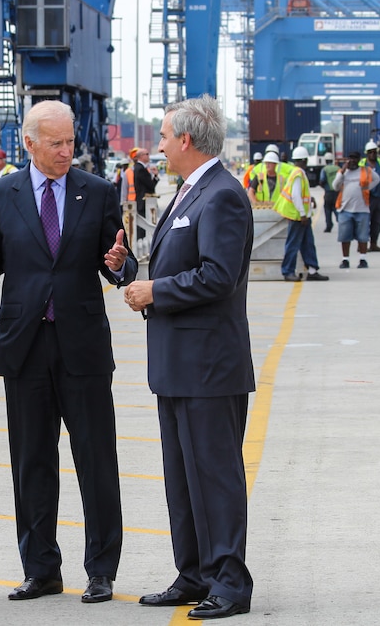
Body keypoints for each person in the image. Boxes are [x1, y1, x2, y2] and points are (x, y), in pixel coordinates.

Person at [0, 100, 137, 605]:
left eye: (71, 142)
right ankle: (41, 569)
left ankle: (101, 569)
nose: (66, 151)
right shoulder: (0, 194)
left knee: (96, 460)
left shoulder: (97, 192)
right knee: (31, 462)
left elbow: (118, 259)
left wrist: (120, 264)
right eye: (56, 143)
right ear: (28, 144)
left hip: (82, 345)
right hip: (26, 347)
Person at [123, 94, 254, 620]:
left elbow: (218, 277)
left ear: (186, 140)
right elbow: (179, 261)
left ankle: (229, 582)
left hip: (209, 364)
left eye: (162, 135)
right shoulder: (188, 193)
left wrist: (156, 291)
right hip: (178, 363)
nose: (156, 144)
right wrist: (129, 270)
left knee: (215, 476)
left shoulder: (222, 195)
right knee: (181, 475)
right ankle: (194, 572)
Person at [276, 146, 329, 282]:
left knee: (307, 243)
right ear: (305, 160)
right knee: (293, 244)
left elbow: (300, 194)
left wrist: (309, 203)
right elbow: (295, 195)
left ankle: (312, 270)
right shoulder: (299, 174)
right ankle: (288, 271)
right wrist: (302, 214)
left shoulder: (295, 172)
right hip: (298, 217)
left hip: (302, 216)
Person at [332, 151, 379, 270]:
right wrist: (341, 172)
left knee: (363, 236)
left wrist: (368, 187)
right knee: (344, 237)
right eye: (350, 158)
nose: (352, 161)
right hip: (345, 209)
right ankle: (345, 259)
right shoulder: (343, 172)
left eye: (355, 158)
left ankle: (363, 259)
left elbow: (377, 179)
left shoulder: (366, 171)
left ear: (359, 160)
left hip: (362, 209)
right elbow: (335, 186)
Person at [360, 141, 380, 251]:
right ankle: (362, 244)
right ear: (366, 153)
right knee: (365, 222)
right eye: (370, 152)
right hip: (366, 198)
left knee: (377, 221)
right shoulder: (362, 164)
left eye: (374, 152)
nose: (373, 154)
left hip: (379, 197)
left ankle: (373, 243)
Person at [129, 147, 160, 245]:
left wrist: (155, 176)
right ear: (141, 156)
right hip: (143, 201)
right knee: (142, 226)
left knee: (143, 225)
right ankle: (140, 244)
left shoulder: (140, 168)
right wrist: (154, 177)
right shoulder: (140, 169)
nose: (148, 156)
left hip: (143, 201)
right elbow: (150, 185)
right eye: (146, 154)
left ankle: (141, 243)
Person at [320, 156, 341, 233]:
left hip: (328, 192)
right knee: (337, 209)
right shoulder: (338, 168)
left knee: (327, 209)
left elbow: (322, 180)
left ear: (325, 161)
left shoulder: (324, 169)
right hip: (337, 192)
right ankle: (341, 223)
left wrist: (324, 187)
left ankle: (329, 226)